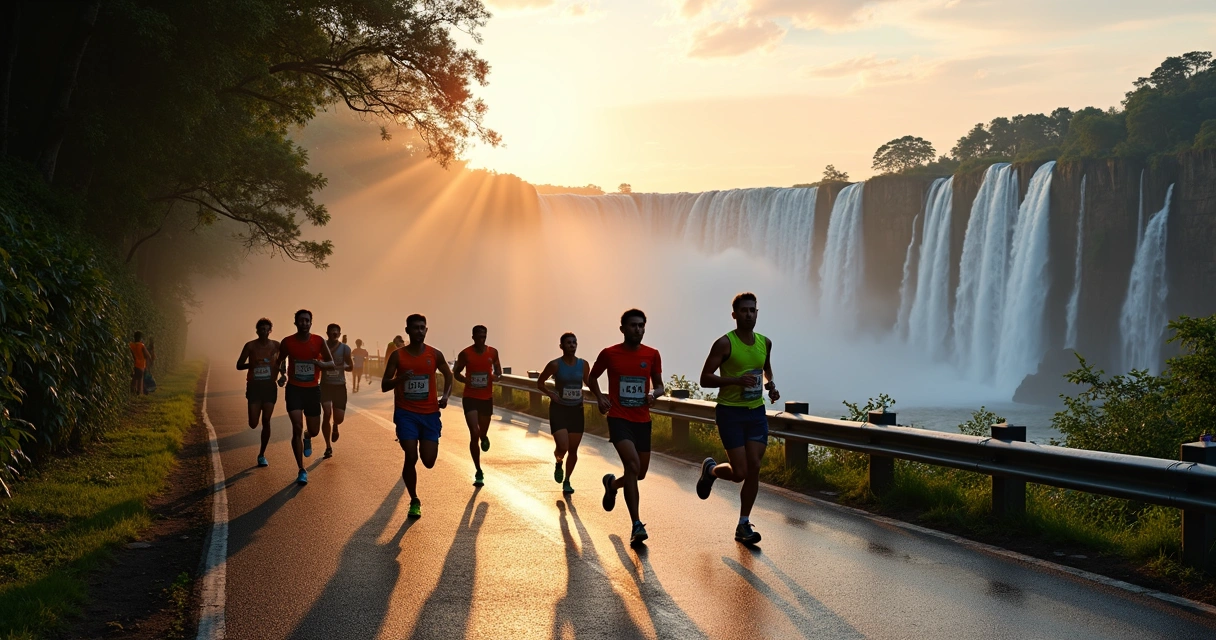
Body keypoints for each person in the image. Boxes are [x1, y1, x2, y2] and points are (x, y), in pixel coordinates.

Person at [695, 293, 780, 546]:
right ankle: (711, 470)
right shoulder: (724, 343)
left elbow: (766, 369)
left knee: (754, 465)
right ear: (734, 314)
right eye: (743, 310)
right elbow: (705, 378)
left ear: (757, 313)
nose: (749, 314)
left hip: (755, 412)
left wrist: (771, 386)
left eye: (753, 310)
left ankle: (744, 523)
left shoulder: (765, 342)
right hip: (730, 412)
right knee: (739, 472)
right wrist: (734, 380)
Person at [589, 309, 664, 547]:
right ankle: (636, 525)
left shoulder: (652, 354)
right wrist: (600, 398)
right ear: (622, 329)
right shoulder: (610, 354)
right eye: (633, 325)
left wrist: (654, 393)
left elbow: (661, 386)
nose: (638, 330)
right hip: (619, 419)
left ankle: (612, 485)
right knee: (631, 465)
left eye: (641, 325)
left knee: (638, 473)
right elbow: (592, 378)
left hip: (643, 420)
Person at [381, 314, 453, 518]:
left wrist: (445, 396)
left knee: (428, 461)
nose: (419, 331)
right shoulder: (398, 356)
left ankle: (414, 493)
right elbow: (385, 385)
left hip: (430, 414)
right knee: (411, 455)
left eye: (422, 328)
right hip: (406, 414)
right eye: (415, 328)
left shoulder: (435, 354)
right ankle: (414, 499)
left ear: (426, 330)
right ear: (407, 331)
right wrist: (400, 378)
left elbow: (449, 375)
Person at [278, 309, 336, 485]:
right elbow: (280, 360)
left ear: (311, 323)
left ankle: (307, 436)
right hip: (294, 389)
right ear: (295, 323)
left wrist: (319, 363)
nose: (304, 323)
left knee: (314, 430)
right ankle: (301, 469)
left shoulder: (319, 341)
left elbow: (331, 363)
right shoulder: (287, 342)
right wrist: (281, 374)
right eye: (301, 320)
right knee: (296, 426)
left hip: (312, 390)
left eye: (307, 321)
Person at [536, 332, 590, 494]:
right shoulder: (555, 365)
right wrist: (550, 394)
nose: (572, 345)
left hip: (576, 410)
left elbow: (589, 382)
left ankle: (567, 480)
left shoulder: (583, 364)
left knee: (573, 450)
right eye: (568, 343)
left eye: (574, 342)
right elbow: (540, 383)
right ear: (561, 346)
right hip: (559, 409)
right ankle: (558, 461)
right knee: (563, 446)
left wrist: (600, 397)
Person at [452, 325, 502, 486]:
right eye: (479, 336)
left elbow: (499, 372)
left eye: (484, 336)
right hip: (470, 397)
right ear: (473, 337)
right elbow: (456, 372)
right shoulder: (465, 354)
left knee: (481, 432)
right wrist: (466, 380)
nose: (482, 339)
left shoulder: (493, 352)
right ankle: (478, 470)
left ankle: (484, 436)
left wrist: (495, 377)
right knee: (474, 432)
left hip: (486, 398)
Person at [236, 318, 281, 467]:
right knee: (253, 423)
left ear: (270, 331)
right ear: (257, 331)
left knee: (266, 420)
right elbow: (239, 365)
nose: (264, 332)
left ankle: (262, 454)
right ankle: (261, 452)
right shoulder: (250, 346)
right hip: (254, 387)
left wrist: (283, 374)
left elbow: (283, 361)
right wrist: (252, 364)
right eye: (261, 329)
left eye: (267, 329)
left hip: (269, 387)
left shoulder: (276, 345)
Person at [321, 323, 353, 458]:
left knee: (338, 418)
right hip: (326, 385)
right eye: (331, 332)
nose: (334, 334)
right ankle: (328, 446)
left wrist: (342, 366)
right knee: (327, 412)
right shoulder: (321, 347)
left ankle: (335, 425)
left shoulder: (345, 349)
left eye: (336, 332)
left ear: (339, 334)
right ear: (327, 333)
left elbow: (350, 367)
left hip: (340, 385)